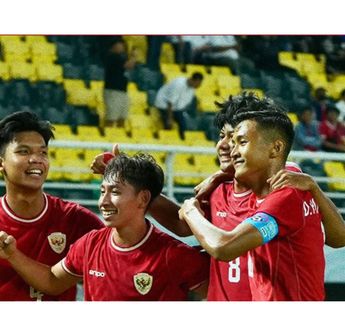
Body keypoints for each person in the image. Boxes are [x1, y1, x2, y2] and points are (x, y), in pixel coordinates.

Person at [91, 93, 345, 301]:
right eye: (222, 137)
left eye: (236, 138)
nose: (225, 145)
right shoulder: (219, 190)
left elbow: (336, 237)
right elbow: (182, 224)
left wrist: (312, 187)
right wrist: (134, 184)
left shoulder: (285, 185)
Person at [0, 153, 209, 301]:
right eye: (102, 191)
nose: (103, 202)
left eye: (115, 192)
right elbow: (52, 281)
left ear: (143, 198)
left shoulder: (174, 256)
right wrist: (12, 254)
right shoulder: (89, 244)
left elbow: (220, 296)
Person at [178, 93, 327, 301]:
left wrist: (189, 210)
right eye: (226, 138)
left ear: (274, 147)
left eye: (239, 141)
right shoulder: (249, 186)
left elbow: (223, 247)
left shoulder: (287, 191)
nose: (229, 147)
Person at [0, 111, 104, 301]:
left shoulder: (77, 220)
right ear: (2, 163)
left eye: (43, 152)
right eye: (24, 151)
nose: (36, 159)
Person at [154, 72, 204, 139]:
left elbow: (183, 104)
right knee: (168, 124)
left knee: (183, 125)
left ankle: (182, 141)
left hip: (176, 108)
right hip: (163, 105)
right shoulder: (179, 84)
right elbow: (170, 103)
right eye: (198, 83)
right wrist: (169, 118)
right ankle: (167, 140)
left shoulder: (192, 89)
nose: (199, 85)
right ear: (194, 80)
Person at [103, 37, 137, 128]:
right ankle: (108, 136)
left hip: (123, 91)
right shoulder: (112, 57)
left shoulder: (122, 57)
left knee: (122, 117)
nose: (122, 47)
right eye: (119, 45)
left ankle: (119, 138)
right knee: (111, 117)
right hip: (113, 91)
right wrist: (133, 57)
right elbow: (128, 65)